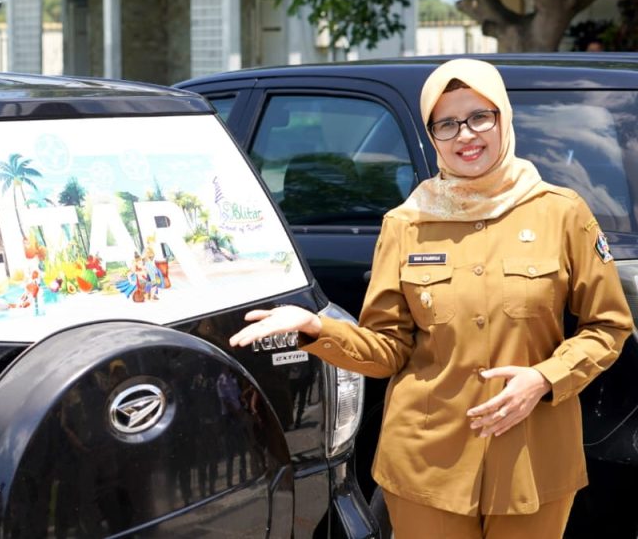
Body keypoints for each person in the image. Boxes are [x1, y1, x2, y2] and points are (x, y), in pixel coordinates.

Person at [229, 58, 633, 538]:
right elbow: (387, 350)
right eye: (447, 124)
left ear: (503, 118)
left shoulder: (563, 213)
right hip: (427, 464)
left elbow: (608, 326)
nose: (466, 135)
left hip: (533, 462)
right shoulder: (406, 224)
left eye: (480, 117)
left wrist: (545, 378)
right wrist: (317, 329)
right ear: (433, 136)